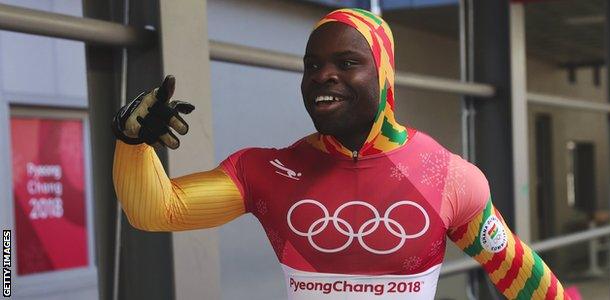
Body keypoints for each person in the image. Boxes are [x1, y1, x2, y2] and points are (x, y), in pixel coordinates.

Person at [112, 8, 569, 300]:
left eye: (347, 63)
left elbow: (518, 274)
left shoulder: (448, 176)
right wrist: (133, 146)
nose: (323, 75)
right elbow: (158, 210)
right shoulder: (265, 170)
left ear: (384, 75)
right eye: (313, 65)